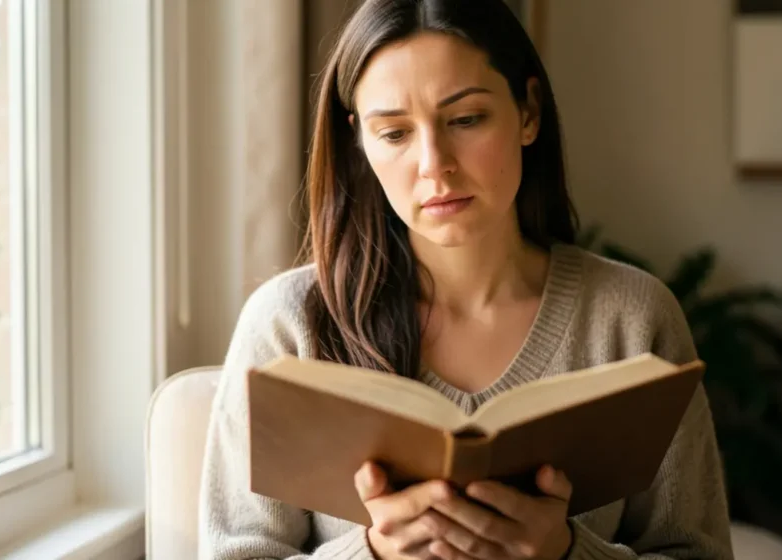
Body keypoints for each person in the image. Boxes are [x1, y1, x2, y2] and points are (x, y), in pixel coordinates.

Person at [197, 0, 734, 558]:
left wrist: (567, 552)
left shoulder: (632, 319)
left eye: (466, 119)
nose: (434, 164)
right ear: (359, 140)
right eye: (395, 133)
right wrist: (372, 554)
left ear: (528, 112)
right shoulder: (288, 326)